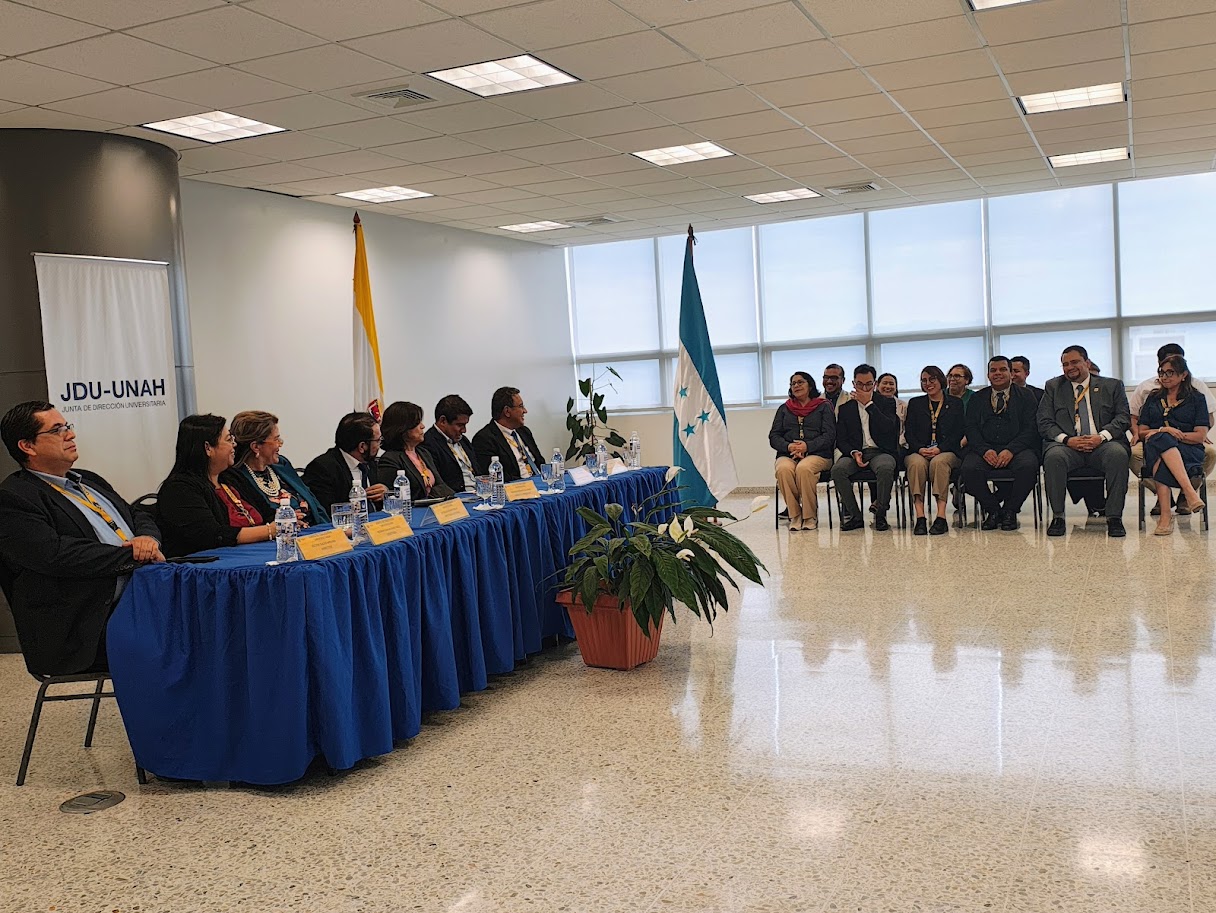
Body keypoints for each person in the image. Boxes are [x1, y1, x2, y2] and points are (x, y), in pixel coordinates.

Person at [0, 401, 163, 675]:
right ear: (27, 446)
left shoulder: (88, 480)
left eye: (67, 426)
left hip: (140, 603)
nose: (71, 434)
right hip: (87, 626)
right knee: (187, 641)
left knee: (212, 621)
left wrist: (147, 539)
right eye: (57, 430)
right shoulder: (14, 497)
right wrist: (134, 555)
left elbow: (136, 515)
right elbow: (56, 555)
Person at [1038, 345, 1131, 538]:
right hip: (1068, 446)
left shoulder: (1112, 385)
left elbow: (1123, 418)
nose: (1069, 367)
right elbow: (1044, 422)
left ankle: (1114, 518)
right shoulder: (1053, 387)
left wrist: (1101, 437)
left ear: (1087, 363)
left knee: (1118, 454)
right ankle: (1058, 517)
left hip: (1102, 444)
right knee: (1054, 457)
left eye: (1074, 362)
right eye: (1065, 364)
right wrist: (1067, 440)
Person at [157, 414, 281, 558]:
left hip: (256, 553)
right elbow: (212, 536)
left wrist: (285, 519)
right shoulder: (179, 489)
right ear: (208, 448)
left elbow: (267, 512)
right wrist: (269, 531)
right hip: (213, 564)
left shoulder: (231, 476)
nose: (234, 445)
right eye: (228, 440)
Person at [1128, 343, 1216, 517]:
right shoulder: (1151, 393)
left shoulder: (1197, 393)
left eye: (1171, 372)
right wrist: (1163, 431)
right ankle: (1187, 492)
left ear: (1183, 373)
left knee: (1208, 452)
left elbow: (1205, 423)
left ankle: (1178, 499)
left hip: (1185, 441)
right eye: (1162, 372)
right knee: (1143, 448)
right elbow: (1137, 421)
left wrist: (1196, 434)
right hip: (1153, 440)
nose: (1165, 377)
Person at [961, 356, 1041, 531]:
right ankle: (993, 509)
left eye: (1002, 369)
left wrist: (1011, 450)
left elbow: (1031, 428)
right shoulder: (977, 398)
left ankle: (1010, 510)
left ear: (1011, 373)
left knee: (1028, 466)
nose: (997, 373)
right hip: (985, 448)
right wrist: (984, 450)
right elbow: (971, 428)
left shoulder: (1026, 396)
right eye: (993, 370)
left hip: (1017, 448)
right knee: (969, 468)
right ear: (988, 375)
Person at [830, 364, 900, 531]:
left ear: (874, 384)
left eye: (868, 384)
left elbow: (889, 429)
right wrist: (854, 453)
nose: (864, 388)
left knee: (885, 467)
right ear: (853, 384)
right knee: (838, 470)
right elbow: (841, 439)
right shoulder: (846, 408)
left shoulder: (886, 403)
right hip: (856, 452)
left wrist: (868, 404)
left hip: (881, 451)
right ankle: (855, 516)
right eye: (859, 384)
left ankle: (880, 514)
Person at [229, 410, 327, 525]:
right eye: (276, 439)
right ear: (256, 447)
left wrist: (332, 531)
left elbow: (315, 505)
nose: (280, 443)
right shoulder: (237, 478)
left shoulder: (282, 464)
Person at [770, 371, 836, 531]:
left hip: (819, 454)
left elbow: (829, 436)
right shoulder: (784, 408)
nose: (796, 386)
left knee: (804, 468)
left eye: (800, 382)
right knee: (783, 469)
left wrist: (807, 446)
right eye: (793, 383)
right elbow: (774, 436)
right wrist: (789, 447)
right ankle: (795, 515)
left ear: (810, 385)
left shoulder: (823, 406)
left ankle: (809, 516)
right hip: (789, 454)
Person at [904, 366, 965, 536]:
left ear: (940, 380)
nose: (928, 383)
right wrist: (919, 448)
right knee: (915, 464)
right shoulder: (915, 403)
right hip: (920, 451)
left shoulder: (955, 403)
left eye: (932, 379)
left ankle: (941, 517)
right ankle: (920, 517)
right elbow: (909, 432)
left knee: (939, 463)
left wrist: (940, 448)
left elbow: (958, 432)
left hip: (946, 451)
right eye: (924, 380)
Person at [303, 412, 387, 516]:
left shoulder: (370, 463)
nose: (379, 445)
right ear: (362, 447)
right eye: (378, 440)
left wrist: (385, 494)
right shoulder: (322, 469)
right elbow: (326, 512)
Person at [378, 401, 454, 500]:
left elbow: (442, 487)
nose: (423, 426)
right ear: (403, 428)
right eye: (417, 423)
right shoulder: (390, 459)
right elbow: (399, 496)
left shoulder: (424, 453)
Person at [472, 386, 544, 481]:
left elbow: (540, 462)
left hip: (540, 482)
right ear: (507, 411)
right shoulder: (484, 439)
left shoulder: (524, 431)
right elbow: (495, 477)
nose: (525, 411)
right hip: (518, 486)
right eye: (521, 406)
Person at [422, 394, 477, 493]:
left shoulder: (463, 440)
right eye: (460, 425)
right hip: (457, 496)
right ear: (443, 421)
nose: (464, 430)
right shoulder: (428, 443)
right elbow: (439, 484)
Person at [877, 372, 907, 449]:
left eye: (891, 384)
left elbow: (907, 428)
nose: (888, 386)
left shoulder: (904, 406)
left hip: (899, 445)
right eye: (885, 383)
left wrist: (899, 442)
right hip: (877, 446)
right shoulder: (871, 404)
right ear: (877, 386)